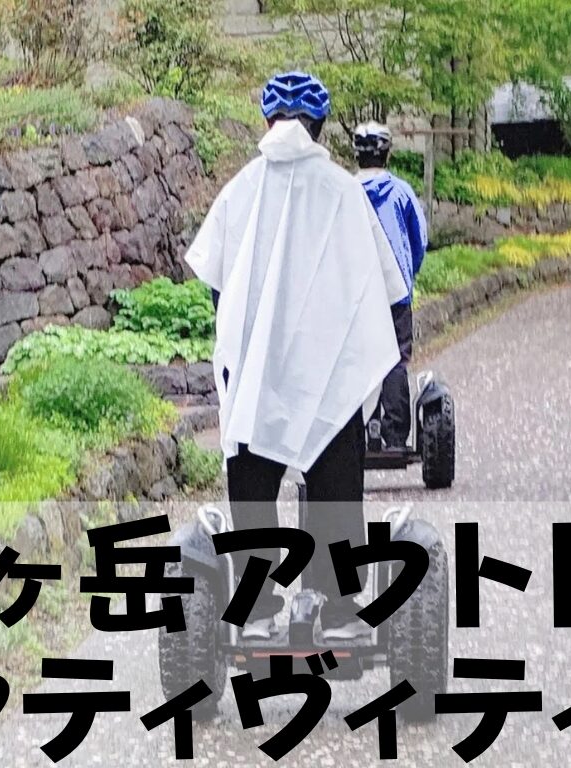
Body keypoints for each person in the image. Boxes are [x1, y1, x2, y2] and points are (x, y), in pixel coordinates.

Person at [185, 72, 409, 641]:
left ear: (267, 121)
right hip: (329, 373)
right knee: (336, 484)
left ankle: (256, 611)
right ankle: (338, 611)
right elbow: (381, 287)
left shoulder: (239, 191)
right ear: (321, 126)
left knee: (251, 482)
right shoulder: (344, 192)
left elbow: (218, 287)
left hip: (257, 373)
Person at [353, 122, 428, 451]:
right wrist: (409, 274)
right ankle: (395, 435)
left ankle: (361, 430)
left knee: (356, 358)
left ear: (356, 154)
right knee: (395, 358)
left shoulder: (345, 191)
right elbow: (419, 239)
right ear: (387, 153)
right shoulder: (401, 192)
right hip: (395, 291)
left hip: (355, 292)